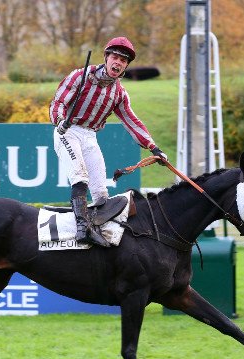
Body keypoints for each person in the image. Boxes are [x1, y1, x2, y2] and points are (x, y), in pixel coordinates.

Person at [49, 36, 167, 247]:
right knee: (80, 177)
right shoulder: (79, 76)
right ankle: (82, 229)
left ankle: (100, 229)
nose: (118, 63)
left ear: (126, 66)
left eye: (123, 60)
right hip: (68, 131)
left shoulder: (119, 93)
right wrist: (59, 121)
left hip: (90, 136)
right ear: (106, 57)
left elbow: (131, 121)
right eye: (115, 57)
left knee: (101, 192)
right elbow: (58, 102)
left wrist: (154, 148)